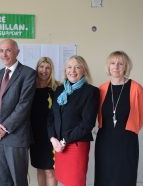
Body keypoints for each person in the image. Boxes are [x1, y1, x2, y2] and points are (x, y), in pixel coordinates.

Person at [94, 51, 143, 186]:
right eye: (113, 63)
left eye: (120, 63)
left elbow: (141, 115)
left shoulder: (136, 88)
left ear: (126, 67)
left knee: (124, 178)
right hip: (104, 141)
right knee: (103, 177)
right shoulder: (102, 89)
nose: (116, 66)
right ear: (108, 66)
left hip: (127, 141)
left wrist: (130, 130)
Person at [0, 38, 36, 186]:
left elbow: (24, 105)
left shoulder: (28, 73)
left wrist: (4, 128)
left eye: (8, 50)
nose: (4, 54)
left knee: (19, 180)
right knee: (2, 181)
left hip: (16, 136)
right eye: (1, 51)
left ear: (17, 52)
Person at [48, 55, 99, 186]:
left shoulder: (91, 91)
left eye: (77, 67)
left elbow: (87, 124)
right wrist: (53, 139)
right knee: (63, 180)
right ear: (65, 71)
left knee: (75, 182)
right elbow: (52, 117)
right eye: (69, 67)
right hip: (59, 145)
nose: (73, 71)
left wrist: (65, 140)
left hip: (76, 145)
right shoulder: (59, 90)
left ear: (84, 70)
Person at [30, 57, 59, 186]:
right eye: (41, 67)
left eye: (47, 68)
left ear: (51, 70)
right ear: (37, 68)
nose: (44, 70)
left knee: (50, 171)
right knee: (40, 169)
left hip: (51, 135)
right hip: (35, 135)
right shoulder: (30, 87)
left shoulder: (57, 88)